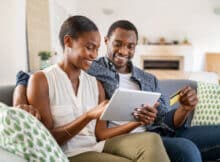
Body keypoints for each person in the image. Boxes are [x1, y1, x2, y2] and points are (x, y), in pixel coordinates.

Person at [14, 19, 220, 161]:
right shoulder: (91, 67)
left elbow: (165, 119)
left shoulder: (148, 79)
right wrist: (20, 104)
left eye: (130, 46)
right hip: (119, 139)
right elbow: (27, 76)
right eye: (118, 44)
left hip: (160, 132)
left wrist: (184, 109)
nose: (124, 51)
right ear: (107, 42)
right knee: (187, 149)